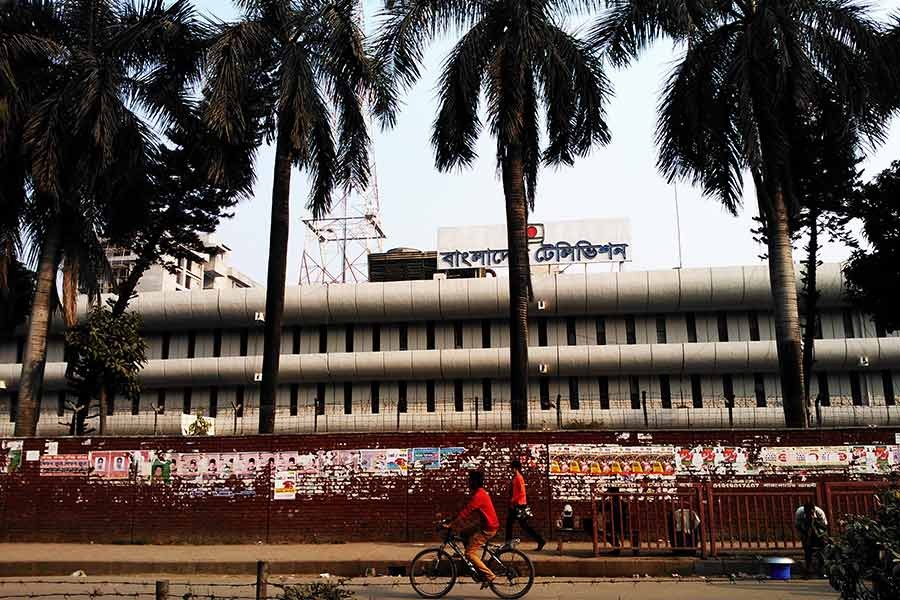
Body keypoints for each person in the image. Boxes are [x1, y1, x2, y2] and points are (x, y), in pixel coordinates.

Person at [443, 471, 500, 586]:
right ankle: (471, 560)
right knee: (464, 533)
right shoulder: (480, 493)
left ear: (474, 482)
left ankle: (489, 575)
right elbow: (465, 509)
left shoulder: (479, 496)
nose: (468, 483)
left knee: (469, 553)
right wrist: (452, 519)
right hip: (485, 524)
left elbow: (466, 512)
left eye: (470, 480)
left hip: (488, 528)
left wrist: (451, 524)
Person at [505, 459, 545, 550]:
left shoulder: (519, 478)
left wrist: (513, 500)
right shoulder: (516, 477)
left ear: (515, 468)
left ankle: (508, 544)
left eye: (512, 468)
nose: (511, 470)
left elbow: (522, 493)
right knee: (519, 525)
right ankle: (540, 540)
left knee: (514, 524)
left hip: (519, 505)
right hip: (517, 505)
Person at [795, 500, 828, 576]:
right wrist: (805, 536)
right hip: (806, 531)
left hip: (819, 533)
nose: (808, 514)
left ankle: (822, 571)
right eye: (807, 513)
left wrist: (815, 521)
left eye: (810, 513)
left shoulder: (820, 512)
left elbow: (825, 527)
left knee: (822, 552)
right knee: (808, 552)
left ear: (813, 510)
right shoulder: (799, 512)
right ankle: (808, 571)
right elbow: (798, 526)